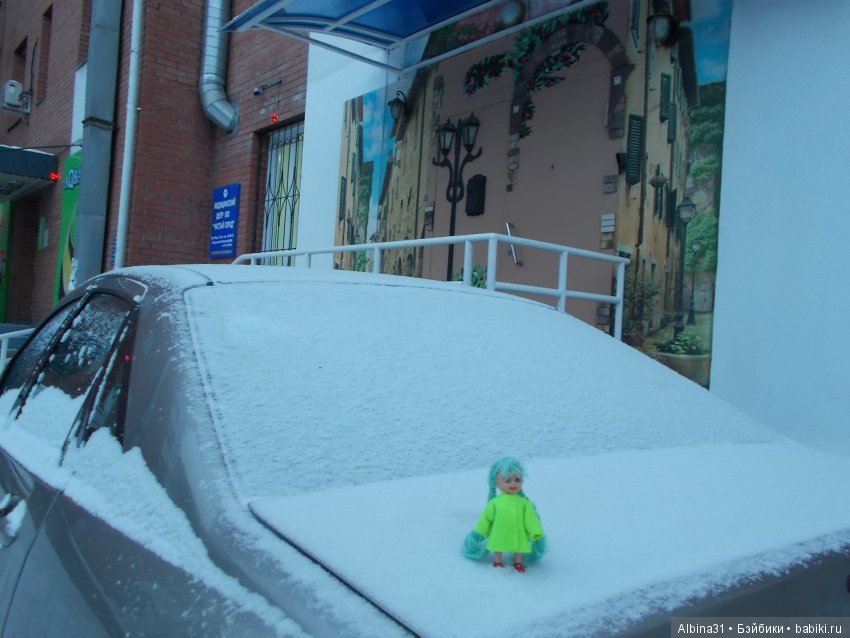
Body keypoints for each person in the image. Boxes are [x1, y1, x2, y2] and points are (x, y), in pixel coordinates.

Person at [462, 456, 546, 573]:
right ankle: (497, 561)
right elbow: (486, 519)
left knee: (519, 547)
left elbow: (530, 519)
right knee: (498, 545)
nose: (513, 484)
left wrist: (535, 532)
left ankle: (518, 563)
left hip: (519, 533)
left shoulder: (524, 503)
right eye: (507, 480)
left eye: (517, 480)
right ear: (496, 482)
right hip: (500, 532)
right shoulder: (495, 502)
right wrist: (479, 532)